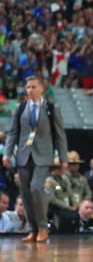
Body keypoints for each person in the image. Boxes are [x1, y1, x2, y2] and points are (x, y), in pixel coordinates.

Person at [3, 76, 67, 243]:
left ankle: (43, 227)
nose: (29, 90)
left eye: (33, 87)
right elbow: (13, 133)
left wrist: (63, 158)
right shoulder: (21, 107)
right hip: (24, 156)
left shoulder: (52, 108)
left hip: (43, 157)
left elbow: (60, 135)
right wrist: (7, 154)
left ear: (41, 89)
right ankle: (33, 229)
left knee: (36, 189)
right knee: (25, 194)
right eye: (27, 87)